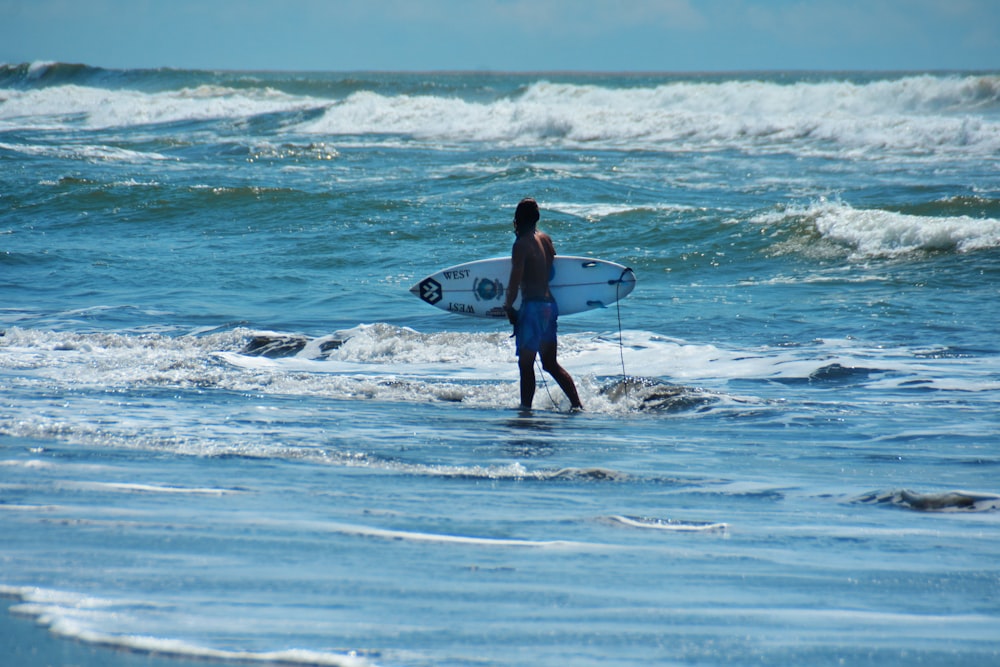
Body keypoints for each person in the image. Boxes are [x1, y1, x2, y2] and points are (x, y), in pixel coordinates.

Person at [503, 198, 583, 411]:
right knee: (549, 364)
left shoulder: (521, 244)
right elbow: (554, 264)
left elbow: (515, 277)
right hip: (549, 306)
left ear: (517, 219)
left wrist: (509, 306)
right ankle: (577, 405)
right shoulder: (546, 239)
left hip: (533, 309)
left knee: (526, 364)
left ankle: (525, 411)